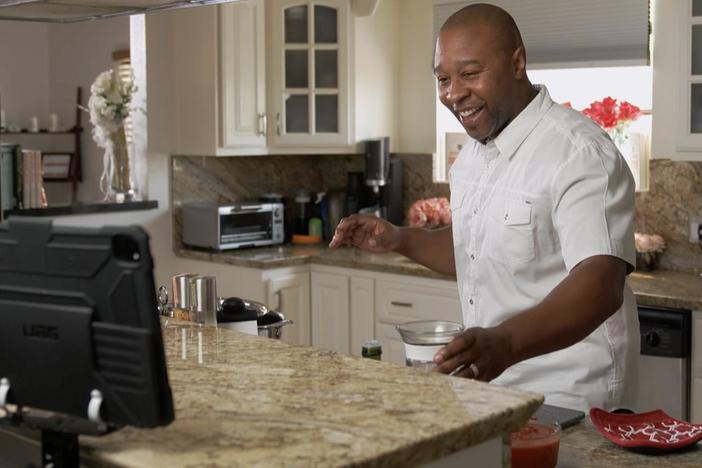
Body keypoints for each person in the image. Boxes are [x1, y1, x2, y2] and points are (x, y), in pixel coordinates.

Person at [329, 3, 639, 412]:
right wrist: (400, 238)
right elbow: (475, 250)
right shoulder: (474, 156)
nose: (454, 93)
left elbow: (600, 285)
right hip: (496, 384)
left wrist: (506, 342)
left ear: (517, 62)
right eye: (443, 78)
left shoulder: (578, 152)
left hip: (574, 392)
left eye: (470, 74)